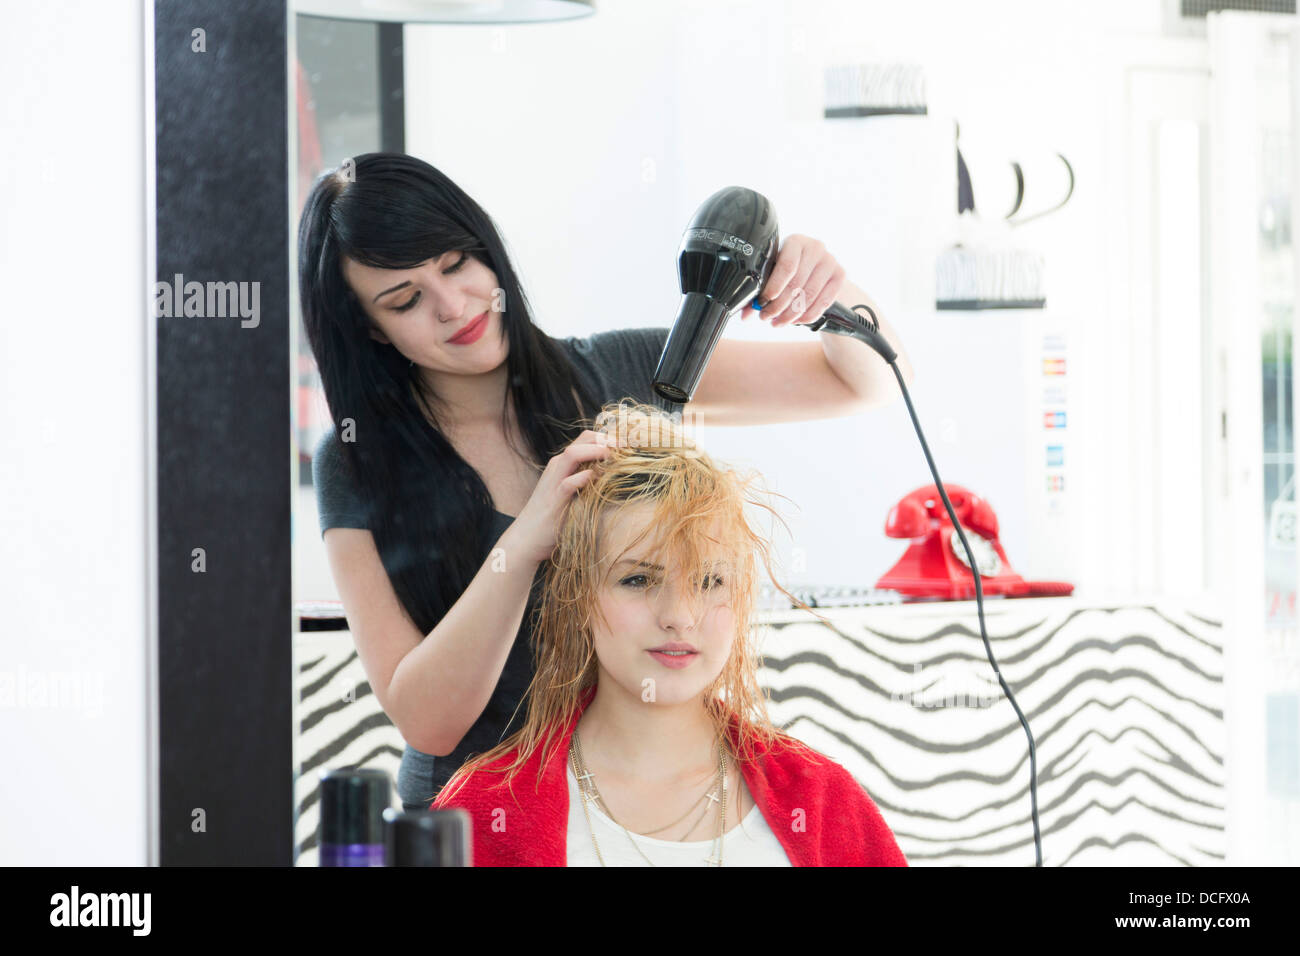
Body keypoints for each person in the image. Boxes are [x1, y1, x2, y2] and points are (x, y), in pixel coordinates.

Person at [299, 152, 915, 811]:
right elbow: (429, 720)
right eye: (406, 299)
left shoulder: (628, 375)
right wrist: (529, 535)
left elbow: (866, 380)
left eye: (456, 264)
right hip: (468, 826)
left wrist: (829, 292)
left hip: (633, 814)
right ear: (371, 327)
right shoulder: (357, 460)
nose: (452, 306)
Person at [433, 402, 908, 867]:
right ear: (578, 596)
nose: (679, 616)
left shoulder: (824, 801)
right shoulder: (486, 811)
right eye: (638, 580)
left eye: (708, 581)